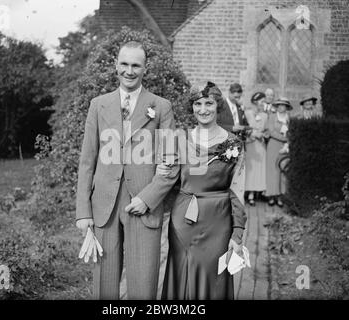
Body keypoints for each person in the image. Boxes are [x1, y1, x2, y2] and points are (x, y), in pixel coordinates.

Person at [75, 41, 179, 299]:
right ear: (115, 65)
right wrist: (83, 212)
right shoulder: (98, 105)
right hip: (104, 208)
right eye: (124, 64)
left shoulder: (161, 106)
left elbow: (171, 160)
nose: (129, 71)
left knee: (143, 285)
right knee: (105, 285)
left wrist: (148, 199)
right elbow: (87, 161)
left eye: (135, 65)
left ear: (145, 69)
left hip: (142, 206)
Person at [159, 81, 247, 300]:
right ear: (192, 106)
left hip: (218, 221)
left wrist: (237, 232)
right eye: (198, 104)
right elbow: (168, 178)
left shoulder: (234, 144)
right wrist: (161, 168)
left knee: (214, 279)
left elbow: (238, 190)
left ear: (217, 105)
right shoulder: (180, 139)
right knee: (182, 276)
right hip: (183, 221)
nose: (203, 109)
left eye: (208, 103)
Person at [265, 97, 292, 207]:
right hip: (273, 145)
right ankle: (272, 196)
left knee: (282, 170)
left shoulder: (289, 118)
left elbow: (291, 131)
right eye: (279, 105)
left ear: (286, 107)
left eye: (283, 105)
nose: (281, 107)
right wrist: (285, 138)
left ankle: (280, 197)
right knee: (272, 170)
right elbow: (271, 131)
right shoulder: (272, 117)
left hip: (284, 147)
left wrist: (287, 142)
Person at [244, 92, 268, 206]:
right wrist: (253, 133)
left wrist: (264, 134)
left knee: (259, 170)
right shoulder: (247, 113)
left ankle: (255, 193)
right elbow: (244, 127)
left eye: (264, 102)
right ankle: (248, 193)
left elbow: (266, 129)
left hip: (260, 145)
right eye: (261, 101)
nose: (263, 104)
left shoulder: (264, 115)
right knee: (250, 169)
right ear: (255, 102)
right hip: (250, 144)